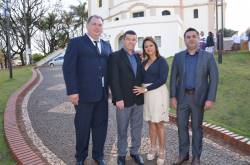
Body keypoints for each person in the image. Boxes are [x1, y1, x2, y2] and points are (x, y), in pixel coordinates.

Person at [62, 15, 112, 165]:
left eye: (100, 25)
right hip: (83, 95)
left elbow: (112, 67)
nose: (97, 27)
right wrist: (72, 91)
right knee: (82, 128)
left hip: (102, 95)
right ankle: (80, 157)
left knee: (100, 127)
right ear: (87, 26)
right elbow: (68, 68)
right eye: (94, 24)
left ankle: (98, 155)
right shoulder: (76, 43)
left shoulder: (107, 45)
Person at [170, 28, 218, 165]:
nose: (191, 39)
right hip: (182, 98)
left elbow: (214, 78)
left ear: (198, 38)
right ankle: (183, 154)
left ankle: (196, 157)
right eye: (188, 37)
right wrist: (173, 96)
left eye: (193, 36)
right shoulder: (178, 57)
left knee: (197, 128)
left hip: (199, 99)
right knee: (181, 126)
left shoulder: (207, 57)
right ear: (185, 39)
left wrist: (210, 98)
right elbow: (173, 77)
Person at [108, 30, 144, 165]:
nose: (131, 42)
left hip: (138, 99)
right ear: (123, 40)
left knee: (137, 128)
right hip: (123, 100)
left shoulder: (137, 57)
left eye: (134, 39)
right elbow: (113, 79)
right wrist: (118, 98)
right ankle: (121, 154)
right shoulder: (115, 56)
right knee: (122, 129)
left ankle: (135, 152)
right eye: (129, 39)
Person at [133, 37, 169, 165]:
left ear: (155, 46)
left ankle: (162, 151)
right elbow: (139, 76)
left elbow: (162, 80)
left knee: (159, 123)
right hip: (147, 95)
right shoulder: (143, 63)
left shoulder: (162, 61)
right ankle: (153, 148)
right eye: (146, 46)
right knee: (150, 123)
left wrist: (146, 89)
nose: (148, 48)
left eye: (151, 45)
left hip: (158, 93)